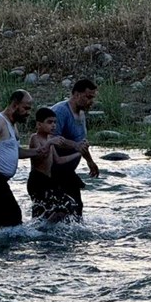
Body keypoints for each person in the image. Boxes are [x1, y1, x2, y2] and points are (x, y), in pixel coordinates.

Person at [0, 90, 46, 234]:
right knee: (12, 217)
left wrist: (37, 152)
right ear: (14, 105)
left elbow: (15, 152)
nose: (28, 112)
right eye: (26, 108)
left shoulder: (12, 125)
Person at [51, 78, 100, 218]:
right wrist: (75, 145)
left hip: (68, 171)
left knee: (77, 208)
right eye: (88, 97)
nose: (91, 101)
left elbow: (81, 142)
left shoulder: (81, 114)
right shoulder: (60, 111)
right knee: (59, 211)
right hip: (53, 172)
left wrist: (90, 161)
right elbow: (51, 139)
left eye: (93, 97)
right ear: (76, 94)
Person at [27, 107, 82, 223]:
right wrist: (50, 142)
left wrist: (78, 153)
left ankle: (46, 229)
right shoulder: (35, 138)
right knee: (59, 207)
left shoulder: (49, 138)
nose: (53, 125)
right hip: (37, 180)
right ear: (39, 124)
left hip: (47, 180)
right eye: (49, 122)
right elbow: (39, 154)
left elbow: (58, 160)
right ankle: (42, 230)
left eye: (55, 122)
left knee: (67, 205)